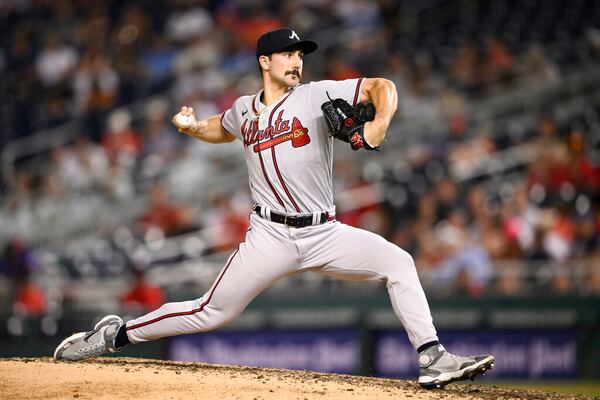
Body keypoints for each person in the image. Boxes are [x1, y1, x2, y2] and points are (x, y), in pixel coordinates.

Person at [54, 28, 494, 389]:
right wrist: (191, 128)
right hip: (269, 237)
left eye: (300, 53)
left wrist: (377, 124)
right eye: (287, 53)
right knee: (211, 311)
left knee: (398, 262)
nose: (296, 60)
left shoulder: (316, 94)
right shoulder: (245, 109)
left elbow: (383, 87)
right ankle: (113, 336)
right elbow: (221, 128)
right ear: (265, 61)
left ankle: (432, 357)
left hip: (325, 232)